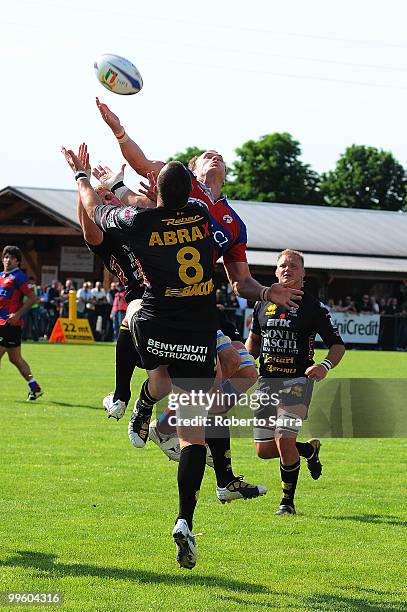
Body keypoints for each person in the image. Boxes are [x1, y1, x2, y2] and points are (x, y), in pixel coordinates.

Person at [95, 99, 303, 504]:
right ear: (192, 170)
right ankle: (174, 429)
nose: (216, 154)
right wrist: (119, 131)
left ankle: (176, 425)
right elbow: (139, 162)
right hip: (169, 302)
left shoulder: (232, 221)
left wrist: (266, 292)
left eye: (219, 155)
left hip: (204, 306)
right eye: (207, 154)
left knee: (243, 373)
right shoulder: (183, 190)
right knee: (203, 376)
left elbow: (240, 281)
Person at [62, 147, 220, 569]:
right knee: (193, 437)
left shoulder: (142, 222)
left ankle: (131, 398)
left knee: (136, 322)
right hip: (198, 333)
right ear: (190, 193)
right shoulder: (203, 217)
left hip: (157, 327)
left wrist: (82, 176)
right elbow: (150, 201)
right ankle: (184, 518)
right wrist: (126, 187)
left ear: (156, 190)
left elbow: (98, 212)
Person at [246, 249, 346, 515]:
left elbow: (337, 345)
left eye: (293, 265)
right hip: (267, 383)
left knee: (283, 438)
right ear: (276, 272)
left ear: (303, 273)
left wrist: (324, 365)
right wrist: (243, 363)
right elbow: (254, 342)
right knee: (264, 450)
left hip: (297, 383)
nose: (287, 269)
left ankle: (286, 502)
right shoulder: (261, 304)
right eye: (282, 266)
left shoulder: (314, 307)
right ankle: (308, 451)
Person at [0, 246, 43, 400]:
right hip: (2, 324)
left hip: (9, 324)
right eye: (5, 257)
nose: (7, 260)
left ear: (17, 261)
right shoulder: (1, 276)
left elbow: (33, 298)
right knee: (15, 359)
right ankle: (34, 386)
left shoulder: (19, 277)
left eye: (11, 257)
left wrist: (17, 315)